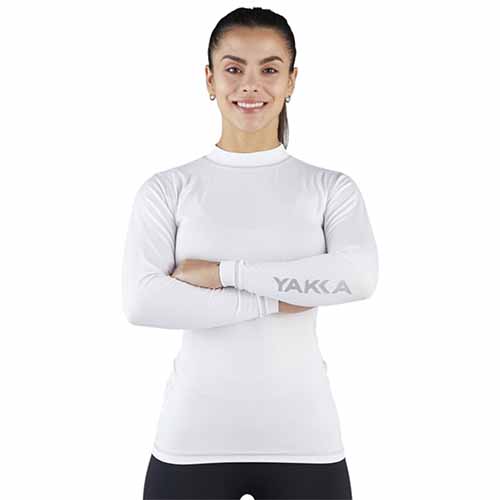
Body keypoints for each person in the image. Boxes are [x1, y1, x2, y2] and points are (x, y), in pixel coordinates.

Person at [122, 7, 378, 500]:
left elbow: (358, 277)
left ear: (292, 80)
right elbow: (143, 302)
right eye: (234, 68)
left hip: (305, 440)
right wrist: (275, 299)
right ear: (210, 79)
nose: (250, 85)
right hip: (192, 439)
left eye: (270, 68)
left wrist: (224, 273)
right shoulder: (168, 188)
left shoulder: (329, 188)